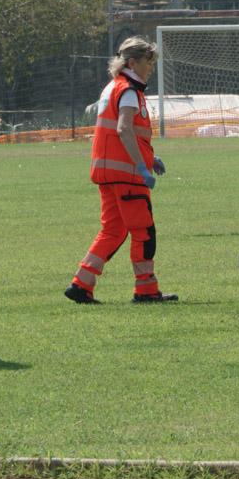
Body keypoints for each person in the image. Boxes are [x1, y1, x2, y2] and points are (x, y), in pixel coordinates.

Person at [66, 36, 176, 304]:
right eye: (148, 63)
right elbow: (124, 129)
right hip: (127, 175)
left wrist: (150, 158)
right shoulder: (128, 91)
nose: (150, 68)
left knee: (113, 231)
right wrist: (142, 167)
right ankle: (146, 290)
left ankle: (82, 283)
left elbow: (122, 134)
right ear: (132, 62)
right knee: (144, 232)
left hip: (107, 173)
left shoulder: (112, 88)